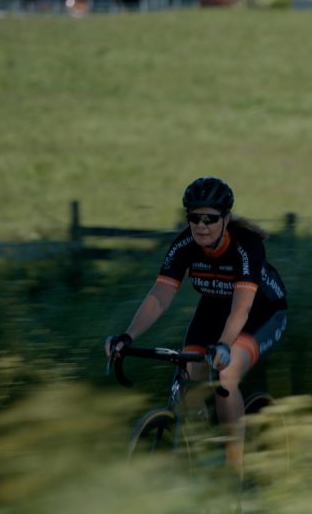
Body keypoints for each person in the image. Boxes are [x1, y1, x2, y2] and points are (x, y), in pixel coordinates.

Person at [105, 177, 287, 477]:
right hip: (214, 308)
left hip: (261, 312)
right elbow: (159, 296)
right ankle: (201, 449)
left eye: (210, 219)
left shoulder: (246, 246)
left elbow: (241, 308)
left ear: (226, 218)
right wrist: (128, 336)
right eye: (194, 217)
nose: (201, 226)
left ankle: (237, 472)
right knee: (189, 377)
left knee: (225, 375)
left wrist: (225, 345)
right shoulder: (185, 244)